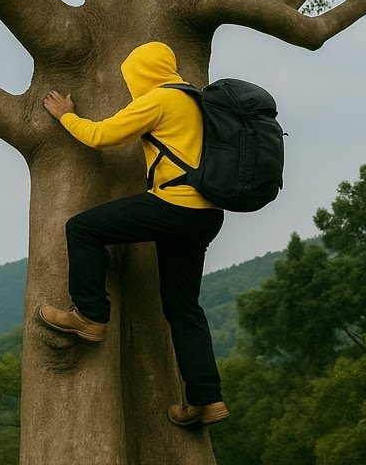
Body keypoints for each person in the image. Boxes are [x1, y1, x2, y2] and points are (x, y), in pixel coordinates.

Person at [36, 41, 229, 427]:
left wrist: (67, 116)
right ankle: (207, 399)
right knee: (183, 308)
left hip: (174, 205)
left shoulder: (160, 99)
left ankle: (90, 315)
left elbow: (101, 135)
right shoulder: (199, 100)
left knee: (82, 228)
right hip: (207, 214)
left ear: (142, 73)